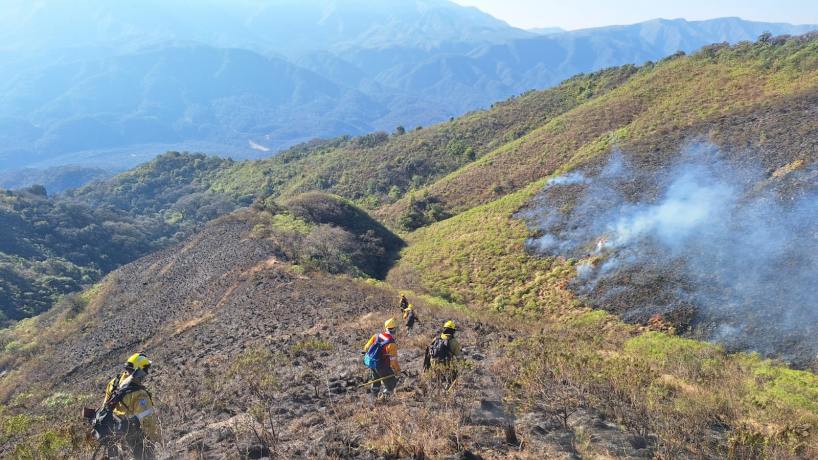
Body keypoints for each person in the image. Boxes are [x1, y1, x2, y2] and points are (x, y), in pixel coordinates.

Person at [99, 353, 160, 459]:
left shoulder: (114, 383)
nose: (147, 373)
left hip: (112, 433)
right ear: (139, 371)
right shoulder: (140, 394)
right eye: (145, 370)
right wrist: (156, 439)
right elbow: (148, 422)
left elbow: (105, 405)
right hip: (132, 435)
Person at [362, 318, 401, 398]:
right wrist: (397, 370)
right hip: (382, 366)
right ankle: (384, 399)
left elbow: (366, 348)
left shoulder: (376, 335)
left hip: (372, 363)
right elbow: (393, 361)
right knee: (391, 384)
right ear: (395, 329)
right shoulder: (391, 344)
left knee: (376, 381)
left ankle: (373, 397)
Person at [423, 320, 462, 387]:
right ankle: (448, 388)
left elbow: (429, 351)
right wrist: (463, 365)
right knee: (454, 374)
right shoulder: (454, 342)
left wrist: (427, 366)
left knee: (439, 377)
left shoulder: (436, 338)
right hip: (445, 364)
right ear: (453, 331)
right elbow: (459, 357)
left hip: (434, 364)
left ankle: (439, 386)